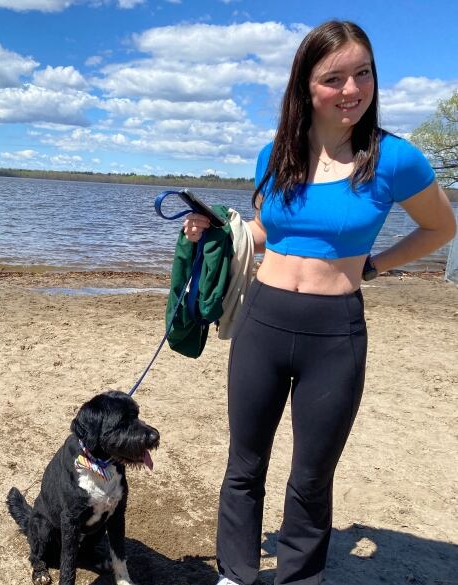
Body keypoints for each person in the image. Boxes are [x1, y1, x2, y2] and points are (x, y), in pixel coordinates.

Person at [182, 20, 456, 585]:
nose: (352, 89)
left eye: (363, 73)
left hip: (335, 333)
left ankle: (298, 578)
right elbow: (267, 231)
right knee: (244, 465)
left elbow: (439, 228)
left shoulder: (394, 159)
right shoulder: (275, 154)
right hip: (263, 319)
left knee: (311, 476)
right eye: (334, 78)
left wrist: (374, 267)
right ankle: (235, 574)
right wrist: (217, 231)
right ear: (306, 87)